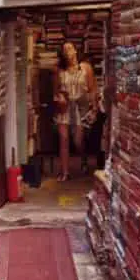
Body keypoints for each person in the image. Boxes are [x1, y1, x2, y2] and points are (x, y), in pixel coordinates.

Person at [54, 40, 98, 181]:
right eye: (65, 50)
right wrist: (60, 97)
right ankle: (65, 172)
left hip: (81, 107)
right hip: (66, 106)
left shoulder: (85, 68)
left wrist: (94, 107)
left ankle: (83, 157)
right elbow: (56, 90)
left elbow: (92, 89)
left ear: (75, 51)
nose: (68, 52)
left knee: (78, 140)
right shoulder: (59, 71)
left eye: (70, 49)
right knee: (64, 138)